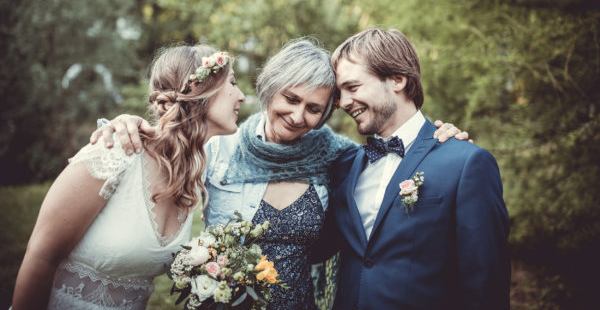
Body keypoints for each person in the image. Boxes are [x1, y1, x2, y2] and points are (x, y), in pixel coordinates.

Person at [91, 38, 470, 309]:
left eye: (314, 109)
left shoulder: (338, 158)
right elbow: (168, 145)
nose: (298, 116)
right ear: (270, 90)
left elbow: (396, 162)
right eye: (291, 99)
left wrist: (440, 137)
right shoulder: (218, 149)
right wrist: (124, 124)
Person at [11, 45, 245, 310]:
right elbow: (41, 256)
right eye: (233, 83)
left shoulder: (191, 171)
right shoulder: (115, 153)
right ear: (201, 90)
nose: (242, 96)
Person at [313, 28, 510, 309]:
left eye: (352, 88)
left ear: (397, 79)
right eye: (339, 93)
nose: (343, 103)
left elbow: (486, 284)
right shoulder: (343, 166)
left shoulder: (465, 163)